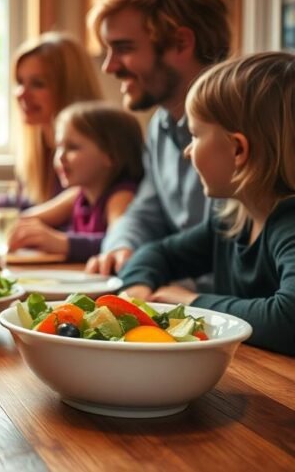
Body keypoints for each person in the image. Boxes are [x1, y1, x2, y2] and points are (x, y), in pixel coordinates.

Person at [118, 52, 295, 356]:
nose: (188, 152)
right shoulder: (231, 221)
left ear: (238, 149)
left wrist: (189, 302)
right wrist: (137, 288)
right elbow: (159, 253)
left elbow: (288, 319)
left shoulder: (289, 225)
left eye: (196, 136)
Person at [85, 0, 232, 276]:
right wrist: (120, 247)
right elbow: (146, 214)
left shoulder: (241, 131)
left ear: (181, 43)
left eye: (123, 48)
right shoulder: (160, 126)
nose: (109, 66)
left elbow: (232, 258)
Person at [0, 32, 104, 230]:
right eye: (20, 82)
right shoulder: (42, 148)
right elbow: (25, 202)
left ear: (68, 88)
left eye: (38, 84)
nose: (21, 93)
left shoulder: (88, 157)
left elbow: (51, 212)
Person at [8, 102, 143, 262]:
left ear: (110, 156)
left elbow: (119, 245)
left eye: (72, 147)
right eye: (59, 146)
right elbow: (25, 219)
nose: (60, 157)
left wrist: (60, 242)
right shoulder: (79, 194)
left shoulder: (121, 196)